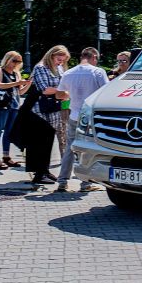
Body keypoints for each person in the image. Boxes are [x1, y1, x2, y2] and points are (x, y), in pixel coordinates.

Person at [56, 47, 109, 192]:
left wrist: (72, 94)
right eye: (96, 59)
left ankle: (62, 181)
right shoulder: (98, 72)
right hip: (90, 117)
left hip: (74, 115)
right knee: (87, 149)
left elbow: (59, 95)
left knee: (70, 148)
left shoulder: (68, 73)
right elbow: (106, 92)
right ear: (93, 57)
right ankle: (85, 183)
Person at [26, 45, 70, 185]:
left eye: (63, 61)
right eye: (58, 59)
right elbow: (45, 89)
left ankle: (44, 171)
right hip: (41, 110)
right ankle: (39, 173)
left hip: (53, 108)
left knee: (48, 141)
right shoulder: (41, 67)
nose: (60, 63)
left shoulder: (57, 67)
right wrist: (65, 92)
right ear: (51, 56)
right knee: (41, 142)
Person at [0, 51, 32, 170]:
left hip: (14, 105)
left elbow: (21, 92)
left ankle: (6, 156)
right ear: (7, 59)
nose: (16, 64)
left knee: (9, 131)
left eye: (18, 61)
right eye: (14, 61)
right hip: (2, 104)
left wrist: (28, 83)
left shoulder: (16, 73)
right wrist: (18, 83)